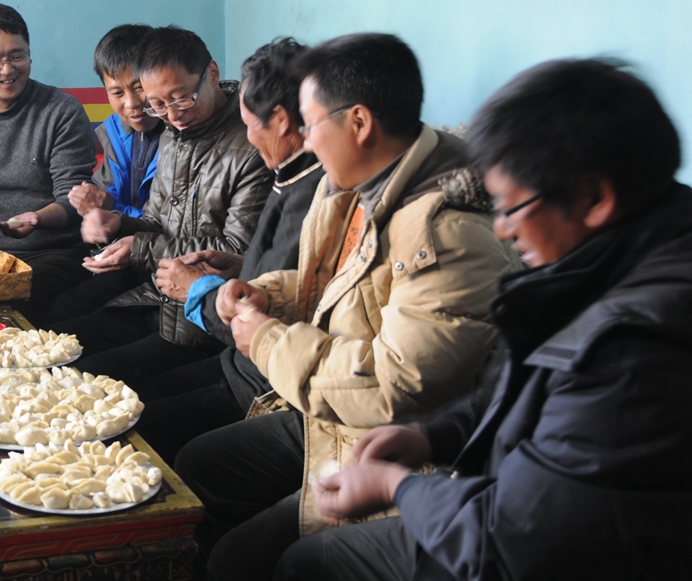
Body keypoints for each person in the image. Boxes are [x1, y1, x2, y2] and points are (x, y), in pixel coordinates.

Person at [280, 58, 692, 581]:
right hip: (512, 501)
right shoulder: (612, 261)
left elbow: (514, 546)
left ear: (593, 198)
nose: (502, 230)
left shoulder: (635, 349)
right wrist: (434, 436)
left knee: (307, 562)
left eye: (512, 207)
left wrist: (395, 487)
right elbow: (533, 393)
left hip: (524, 540)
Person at [173, 33, 521, 581]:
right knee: (200, 465)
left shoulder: (447, 230)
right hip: (329, 414)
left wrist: (264, 338)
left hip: (397, 439)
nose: (305, 143)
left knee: (244, 557)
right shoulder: (354, 186)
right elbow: (339, 281)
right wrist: (269, 294)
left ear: (358, 122)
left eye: (310, 126)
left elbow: (392, 386)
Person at [130, 37, 324, 462]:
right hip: (239, 360)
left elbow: (279, 312)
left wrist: (199, 291)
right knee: (126, 400)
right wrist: (238, 265)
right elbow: (282, 271)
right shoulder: (288, 174)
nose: (250, 138)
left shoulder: (315, 189)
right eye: (158, 105)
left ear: (282, 121)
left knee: (145, 430)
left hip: (265, 376)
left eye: (251, 124)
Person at [50, 26, 273, 382]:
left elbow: (234, 252)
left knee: (82, 378)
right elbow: (157, 221)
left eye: (181, 98)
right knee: (52, 346)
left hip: (203, 318)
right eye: (158, 104)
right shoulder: (174, 133)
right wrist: (117, 224)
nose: (171, 115)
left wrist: (138, 247)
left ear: (212, 74)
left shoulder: (250, 146)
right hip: (158, 297)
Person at [0, 4, 97, 326]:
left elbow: (72, 200)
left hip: (54, 254)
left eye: (17, 56)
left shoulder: (62, 112)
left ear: (30, 55)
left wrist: (35, 219)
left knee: (7, 309)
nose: (8, 69)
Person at [46, 23, 160, 321]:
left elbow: (168, 226)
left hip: (153, 262)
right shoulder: (115, 131)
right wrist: (93, 215)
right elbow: (105, 196)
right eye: (117, 92)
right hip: (114, 253)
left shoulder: (179, 135)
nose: (131, 104)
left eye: (139, 87)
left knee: (67, 317)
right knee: (45, 300)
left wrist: (111, 211)